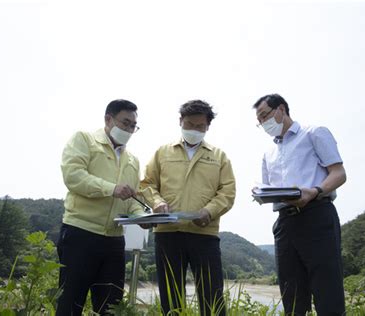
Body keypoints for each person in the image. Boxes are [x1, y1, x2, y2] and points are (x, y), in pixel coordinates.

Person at [253, 93, 347, 316]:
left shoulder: (314, 133)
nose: (264, 123)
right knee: (291, 293)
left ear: (281, 110)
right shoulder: (269, 153)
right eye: (259, 121)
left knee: (327, 290)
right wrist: (259, 193)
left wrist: (314, 191)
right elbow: (269, 189)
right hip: (285, 222)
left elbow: (339, 173)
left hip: (316, 213)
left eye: (265, 115)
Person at [141, 100, 236, 316]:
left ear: (207, 127)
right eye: (189, 124)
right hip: (167, 234)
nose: (194, 130)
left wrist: (209, 211)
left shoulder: (219, 157)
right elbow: (146, 183)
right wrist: (156, 202)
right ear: (180, 122)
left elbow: (227, 192)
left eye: (200, 126)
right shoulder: (162, 153)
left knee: (212, 296)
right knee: (171, 298)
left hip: (205, 234)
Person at [57, 99, 147, 315]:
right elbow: (74, 176)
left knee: (111, 306)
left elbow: (132, 198)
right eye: (125, 123)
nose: (129, 129)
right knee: (70, 302)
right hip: (81, 234)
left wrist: (142, 217)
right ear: (108, 119)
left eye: (133, 126)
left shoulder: (132, 160)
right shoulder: (84, 140)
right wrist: (111, 188)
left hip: (114, 241)